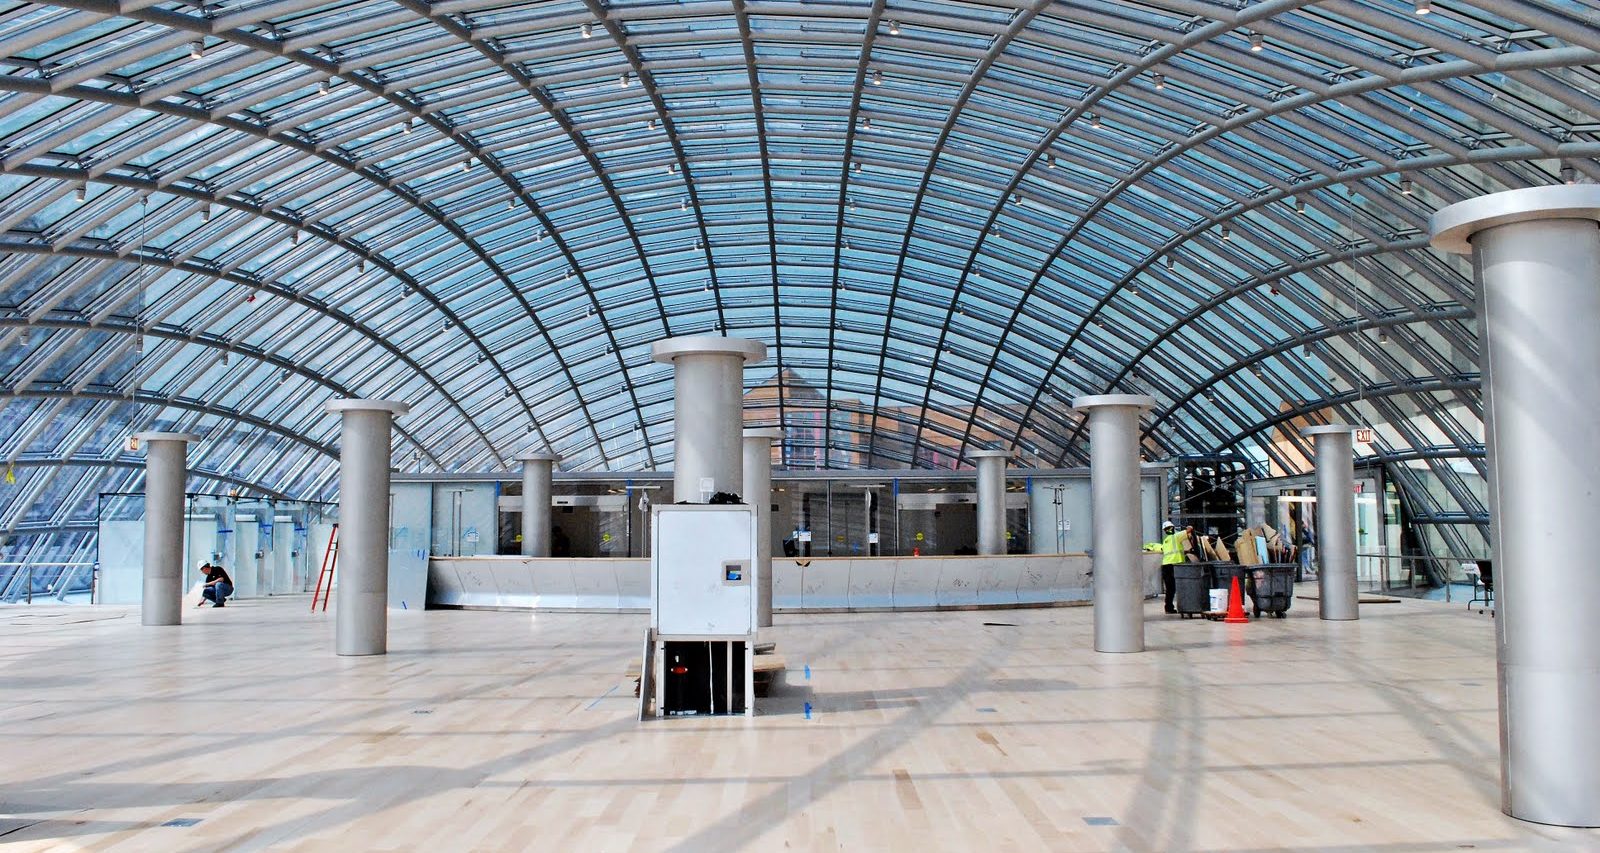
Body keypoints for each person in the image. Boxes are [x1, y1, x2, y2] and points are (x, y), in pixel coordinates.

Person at [1159, 521, 1187, 614]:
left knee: (1170, 588)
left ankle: (1168, 608)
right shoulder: (1176, 537)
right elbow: (1189, 530)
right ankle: (1183, 606)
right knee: (1180, 586)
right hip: (1175, 565)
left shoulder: (1165, 541)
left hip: (1166, 566)